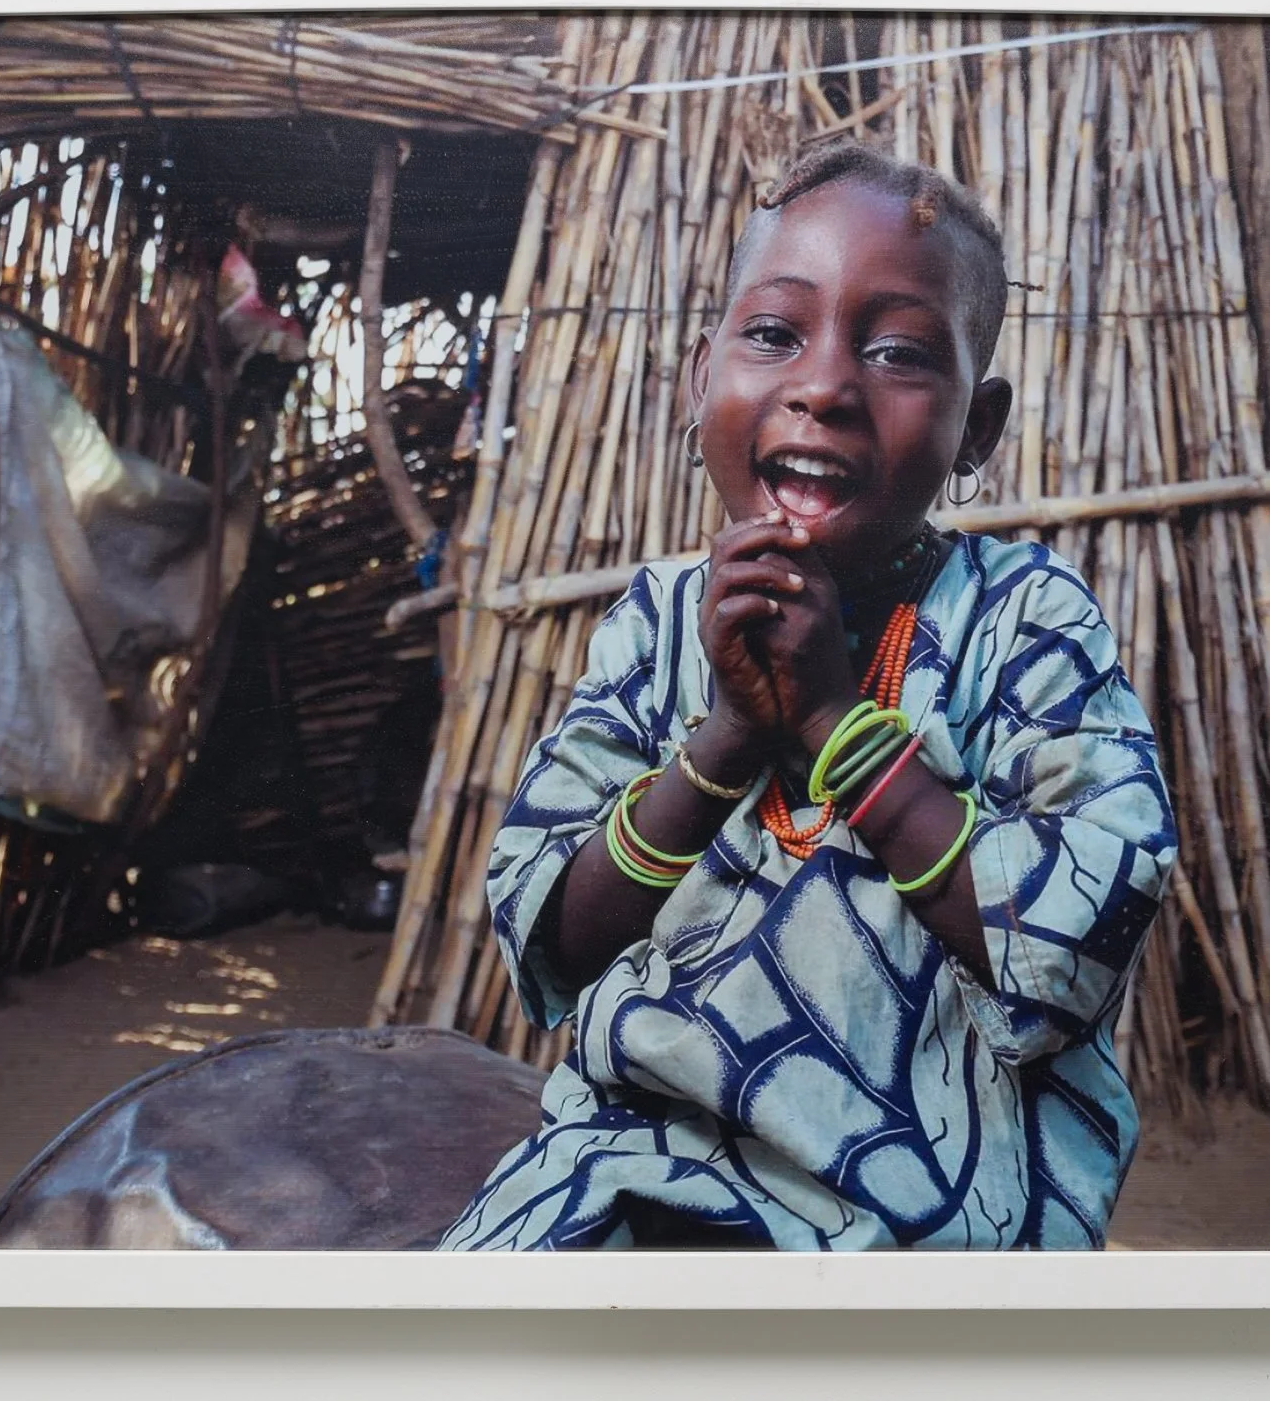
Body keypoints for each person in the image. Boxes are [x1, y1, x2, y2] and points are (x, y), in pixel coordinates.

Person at [438, 138, 1178, 1252]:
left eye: (894, 353)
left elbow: (1075, 940)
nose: (824, 386)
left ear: (976, 427)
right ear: (702, 380)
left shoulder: (1028, 621)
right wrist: (730, 735)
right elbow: (555, 931)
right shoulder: (656, 622)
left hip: (938, 1218)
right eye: (774, 334)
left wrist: (830, 718)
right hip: (625, 1170)